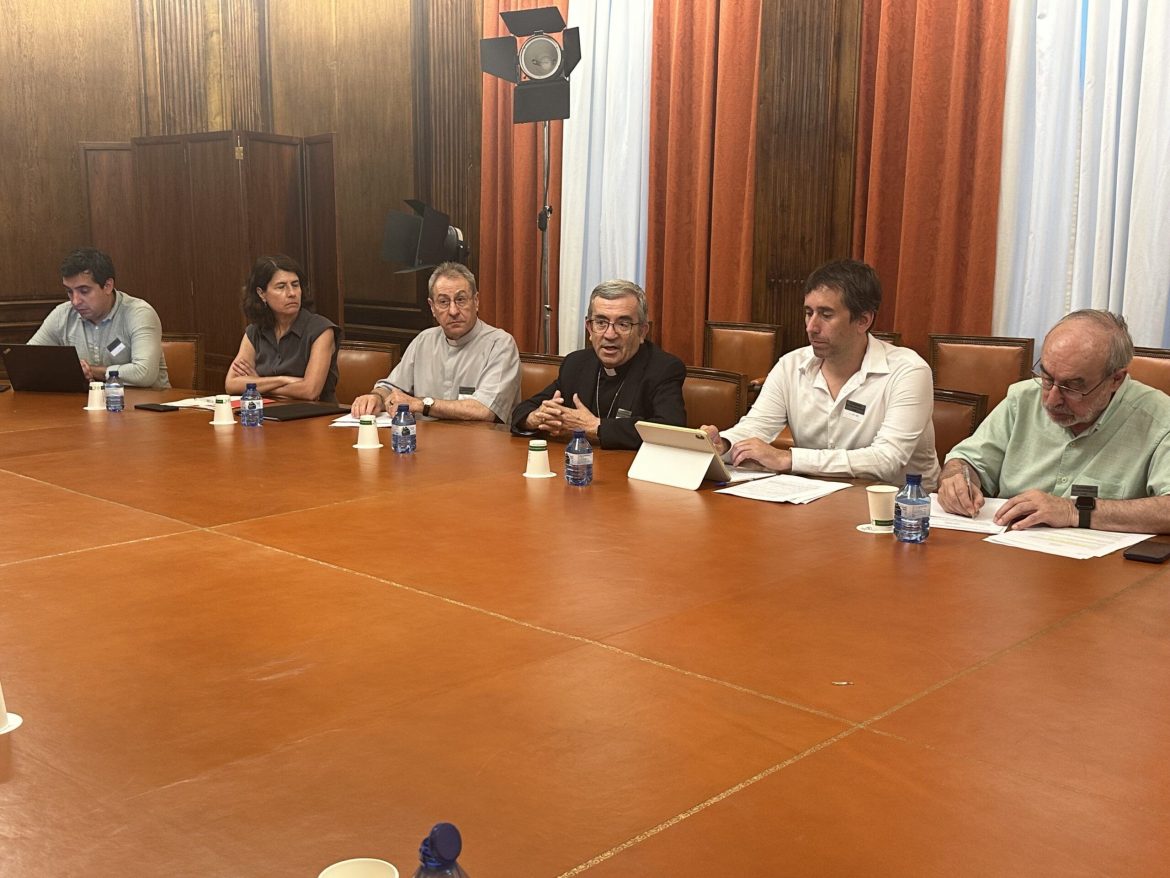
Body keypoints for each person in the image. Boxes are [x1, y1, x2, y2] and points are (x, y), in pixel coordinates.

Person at [702, 258, 939, 488]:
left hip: (903, 505)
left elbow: (887, 459)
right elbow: (756, 426)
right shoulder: (790, 365)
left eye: (826, 315)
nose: (811, 327)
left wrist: (790, 459)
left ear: (863, 320)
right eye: (809, 312)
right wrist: (724, 444)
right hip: (816, 497)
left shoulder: (908, 371)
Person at [937, 310, 1170, 533]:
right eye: (1047, 379)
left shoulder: (1160, 419)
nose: (1051, 400)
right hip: (1007, 547)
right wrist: (956, 478)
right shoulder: (1022, 399)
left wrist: (1072, 510)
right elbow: (967, 461)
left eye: (1072, 387)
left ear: (1115, 380)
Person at [510, 279, 687, 449]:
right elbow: (523, 410)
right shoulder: (576, 364)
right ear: (589, 328)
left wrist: (596, 427)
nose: (610, 334)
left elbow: (671, 429)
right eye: (601, 323)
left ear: (642, 332)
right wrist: (538, 418)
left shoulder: (664, 369)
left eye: (623, 324)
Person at [350, 262, 520, 422]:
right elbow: (391, 388)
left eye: (460, 300)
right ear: (432, 307)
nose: (453, 311)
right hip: (424, 440)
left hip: (478, 441)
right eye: (444, 302)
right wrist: (376, 397)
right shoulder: (424, 340)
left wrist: (421, 404)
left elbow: (485, 410)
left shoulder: (500, 344)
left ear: (476, 301)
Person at [29, 248, 169, 388]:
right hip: (88, 400)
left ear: (108, 286)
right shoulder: (63, 314)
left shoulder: (139, 314)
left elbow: (144, 373)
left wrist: (89, 371)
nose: (75, 301)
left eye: (84, 291)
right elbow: (27, 361)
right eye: (70, 292)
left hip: (147, 400)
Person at [226, 255, 341, 402]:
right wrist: (283, 380)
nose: (292, 293)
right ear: (261, 294)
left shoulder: (321, 330)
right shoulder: (255, 331)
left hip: (314, 413)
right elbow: (231, 384)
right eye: (281, 287)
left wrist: (258, 383)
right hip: (268, 412)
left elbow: (310, 391)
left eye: (295, 285)